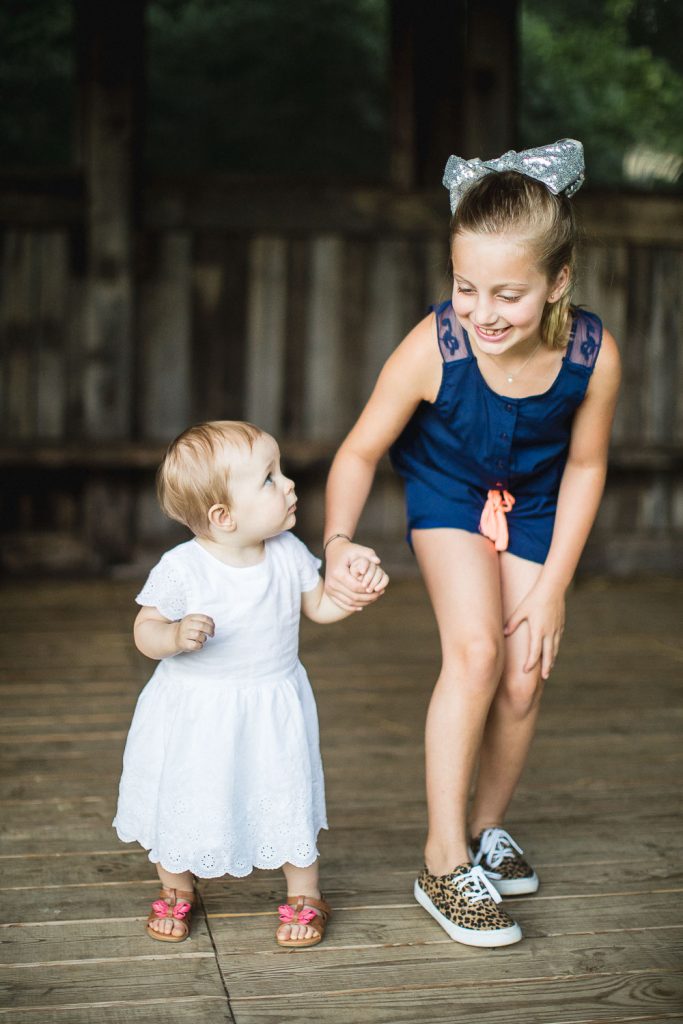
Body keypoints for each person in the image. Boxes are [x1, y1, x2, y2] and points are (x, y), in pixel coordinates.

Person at [323, 140, 621, 947]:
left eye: (509, 294)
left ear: (558, 283)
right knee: (477, 654)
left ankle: (487, 830)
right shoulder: (436, 347)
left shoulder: (592, 354)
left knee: (524, 672)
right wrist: (337, 541)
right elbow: (356, 451)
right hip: (449, 492)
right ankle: (442, 857)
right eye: (464, 287)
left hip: (534, 504)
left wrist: (552, 584)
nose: (483, 311)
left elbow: (587, 468)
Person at [113, 420, 388, 946]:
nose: (288, 484)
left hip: (271, 706)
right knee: (186, 792)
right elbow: (144, 630)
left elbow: (320, 605)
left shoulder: (285, 553)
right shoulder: (183, 568)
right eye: (269, 478)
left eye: (281, 471)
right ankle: (177, 887)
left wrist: (350, 596)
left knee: (283, 792)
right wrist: (171, 636)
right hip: (195, 712)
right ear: (223, 516)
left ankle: (305, 893)